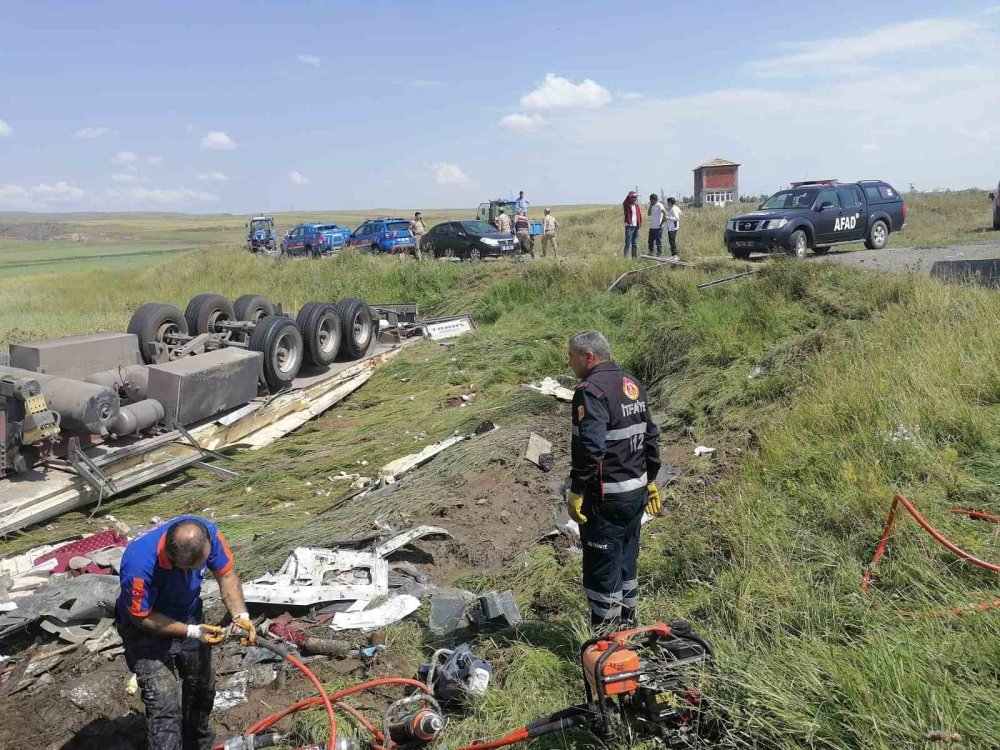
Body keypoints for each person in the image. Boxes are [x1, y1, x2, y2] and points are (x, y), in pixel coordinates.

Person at [116, 516, 256, 750]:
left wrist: (241, 616)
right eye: (187, 568)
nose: (193, 573)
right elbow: (141, 617)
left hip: (188, 613)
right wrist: (191, 632)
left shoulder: (208, 533)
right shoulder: (139, 565)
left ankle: (199, 745)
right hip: (145, 628)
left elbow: (227, 575)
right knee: (165, 705)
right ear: (172, 557)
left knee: (201, 688)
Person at [565, 331, 661, 631]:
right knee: (626, 563)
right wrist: (651, 480)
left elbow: (591, 448)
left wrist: (577, 489)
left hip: (605, 500)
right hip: (635, 494)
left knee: (603, 572)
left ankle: (607, 646)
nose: (568, 362)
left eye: (571, 356)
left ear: (588, 357)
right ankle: (630, 629)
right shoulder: (630, 383)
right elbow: (650, 436)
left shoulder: (590, 390)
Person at [622, 191, 642, 258]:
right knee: (628, 243)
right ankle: (626, 258)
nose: (636, 198)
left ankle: (634, 258)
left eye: (636, 197)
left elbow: (639, 215)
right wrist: (631, 194)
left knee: (634, 243)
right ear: (632, 197)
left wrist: (640, 223)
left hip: (636, 226)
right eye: (635, 197)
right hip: (629, 226)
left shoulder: (636, 205)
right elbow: (625, 201)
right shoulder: (627, 204)